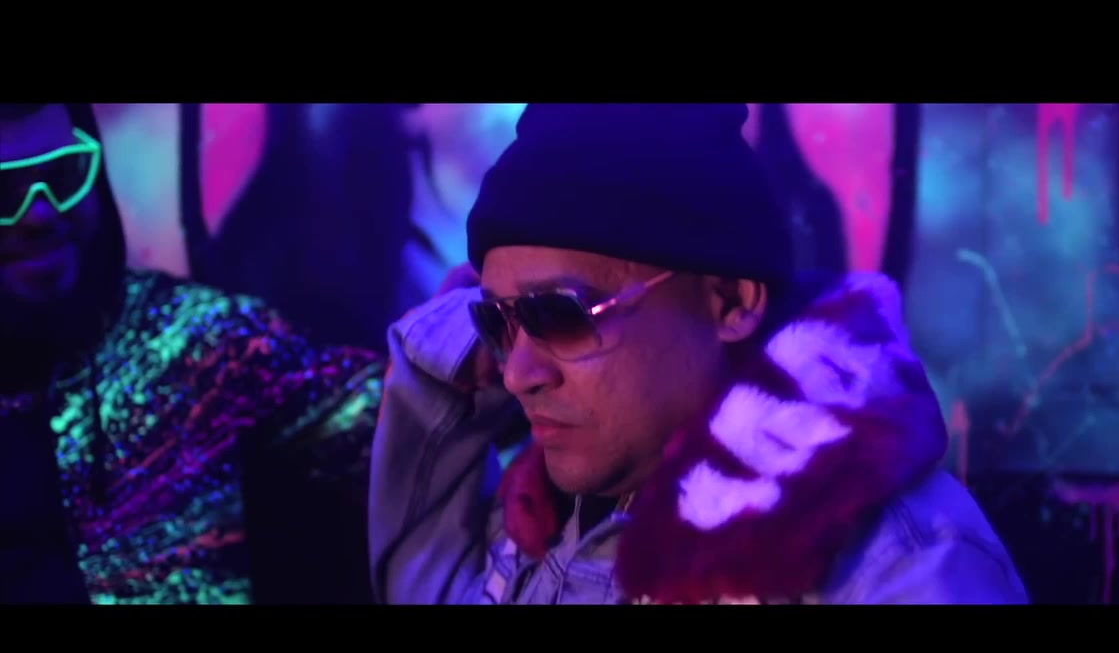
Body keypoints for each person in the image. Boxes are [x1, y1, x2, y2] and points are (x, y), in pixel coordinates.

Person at [368, 103, 1027, 604]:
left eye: (557, 314)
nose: (518, 374)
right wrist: (452, 347)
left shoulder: (893, 568)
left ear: (730, 302)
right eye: (498, 321)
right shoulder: (547, 509)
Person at [0, 103, 382, 604]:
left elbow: (399, 430)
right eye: (2, 192)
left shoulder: (190, 340)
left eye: (64, 174)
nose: (39, 214)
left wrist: (449, 351)